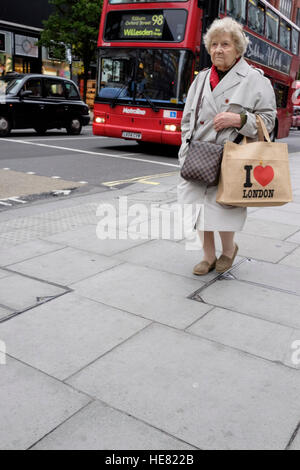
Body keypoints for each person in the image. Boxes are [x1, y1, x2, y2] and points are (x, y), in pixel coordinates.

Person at [177, 16, 277, 275]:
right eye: (214, 45)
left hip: (231, 157)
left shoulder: (255, 79)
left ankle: (229, 249)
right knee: (198, 211)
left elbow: (269, 120)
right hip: (198, 156)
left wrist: (239, 119)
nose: (218, 50)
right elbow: (187, 118)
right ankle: (208, 256)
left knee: (223, 209)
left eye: (225, 45)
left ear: (237, 49)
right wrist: (184, 148)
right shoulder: (200, 79)